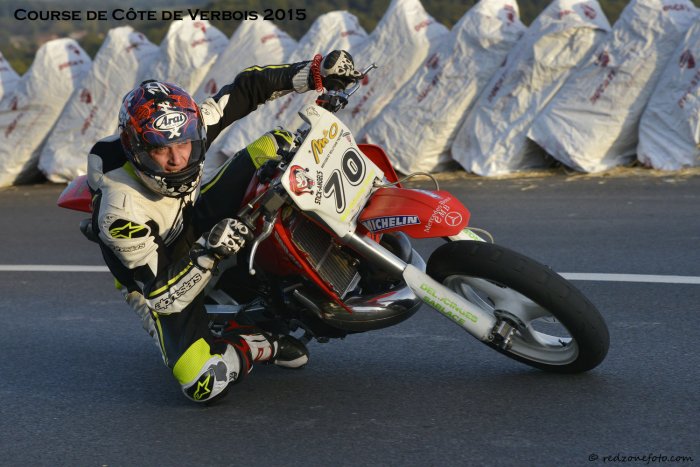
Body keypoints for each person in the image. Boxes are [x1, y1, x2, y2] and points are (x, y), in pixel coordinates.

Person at [86, 51, 362, 403]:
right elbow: (160, 296)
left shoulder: (191, 123)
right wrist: (208, 253)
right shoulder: (120, 211)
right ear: (136, 150)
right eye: (160, 150)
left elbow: (247, 89)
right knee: (202, 383)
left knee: (276, 145)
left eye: (184, 144)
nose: (178, 159)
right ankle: (256, 343)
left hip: (190, 217)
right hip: (160, 273)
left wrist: (313, 73)